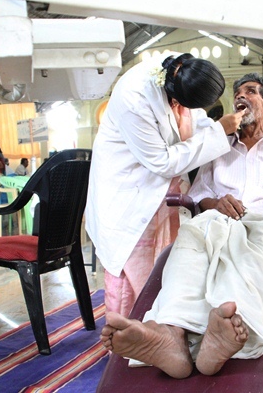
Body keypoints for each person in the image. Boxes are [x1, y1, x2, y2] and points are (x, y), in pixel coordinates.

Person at [100, 73, 263, 379]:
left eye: (251, 91)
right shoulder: (219, 146)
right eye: (238, 92)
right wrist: (216, 203)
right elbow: (199, 194)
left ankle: (227, 326)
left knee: (254, 248)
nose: (241, 95)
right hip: (218, 219)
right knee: (190, 238)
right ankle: (170, 333)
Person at [85, 52, 245, 317]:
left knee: (166, 272)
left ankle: (160, 328)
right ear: (177, 97)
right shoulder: (134, 97)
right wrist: (218, 131)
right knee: (132, 281)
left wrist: (217, 129)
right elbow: (162, 162)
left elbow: (194, 120)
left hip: (162, 197)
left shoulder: (181, 76)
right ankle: (126, 336)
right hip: (129, 194)